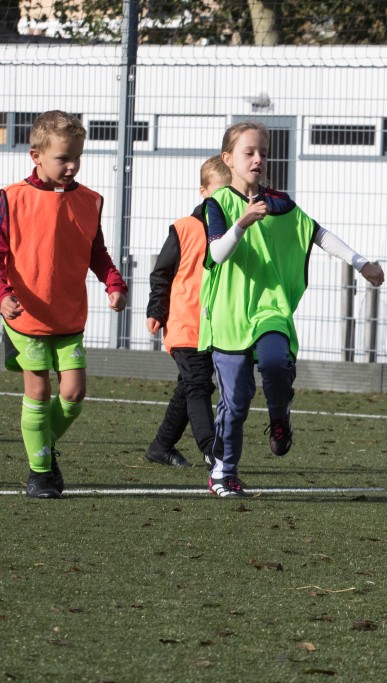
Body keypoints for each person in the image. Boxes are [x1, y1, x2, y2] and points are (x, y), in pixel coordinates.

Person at [201, 121, 385, 497]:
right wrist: (242, 223)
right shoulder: (217, 204)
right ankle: (224, 473)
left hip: (270, 309)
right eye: (249, 152)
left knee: (275, 362)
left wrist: (361, 262)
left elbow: (316, 233)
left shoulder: (281, 204)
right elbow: (216, 253)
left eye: (263, 153)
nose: (258, 159)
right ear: (228, 159)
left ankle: (279, 414)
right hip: (229, 315)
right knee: (235, 403)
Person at [0, 110, 128, 499]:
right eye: (63, 158)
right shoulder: (10, 199)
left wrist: (113, 283)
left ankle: (41, 443)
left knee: (73, 394)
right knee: (38, 392)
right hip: (27, 317)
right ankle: (40, 473)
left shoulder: (89, 201)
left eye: (77, 157)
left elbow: (96, 251)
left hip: (69, 317)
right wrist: (3, 295)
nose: (72, 166)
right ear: (36, 155)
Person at [144, 155, 231, 469]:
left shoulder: (236, 233)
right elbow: (162, 273)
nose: (223, 202)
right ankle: (211, 449)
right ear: (203, 192)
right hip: (184, 323)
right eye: (218, 194)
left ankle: (161, 446)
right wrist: (156, 310)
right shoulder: (184, 228)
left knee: (190, 385)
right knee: (198, 385)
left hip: (216, 327)